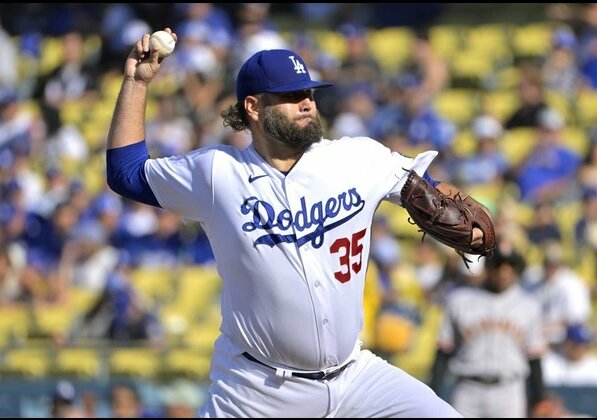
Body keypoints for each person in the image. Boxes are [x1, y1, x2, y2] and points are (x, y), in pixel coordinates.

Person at [105, 28, 489, 417]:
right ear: (253, 108)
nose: (306, 103)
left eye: (308, 93)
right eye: (291, 96)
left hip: (355, 377)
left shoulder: (356, 158)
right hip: (256, 390)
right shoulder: (217, 173)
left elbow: (432, 191)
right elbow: (125, 173)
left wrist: (467, 218)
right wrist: (136, 82)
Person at [429, 245, 547, 418]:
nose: (503, 272)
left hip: (509, 389)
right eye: (498, 265)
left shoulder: (529, 306)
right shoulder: (460, 300)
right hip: (468, 387)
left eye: (509, 267)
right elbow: (444, 351)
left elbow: (534, 357)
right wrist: (434, 392)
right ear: (488, 267)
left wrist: (539, 397)